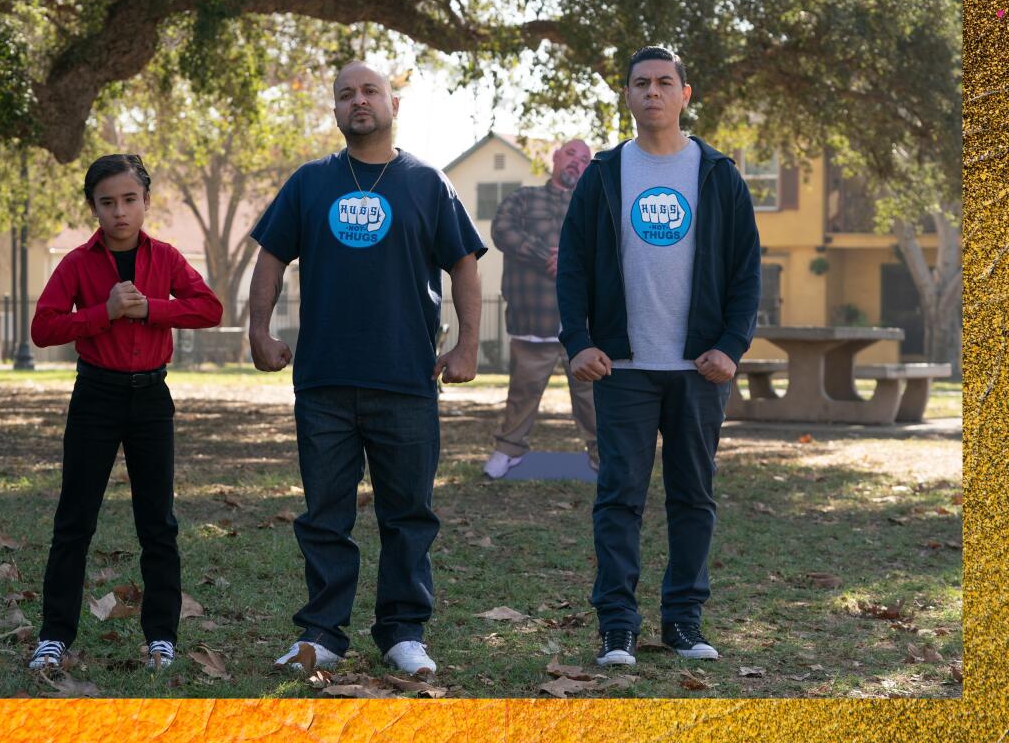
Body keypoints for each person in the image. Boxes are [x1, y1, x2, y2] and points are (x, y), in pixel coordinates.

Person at [248, 61, 485, 678]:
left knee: (409, 514)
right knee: (325, 514)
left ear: (394, 103)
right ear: (335, 110)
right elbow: (271, 257)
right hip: (324, 380)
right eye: (347, 94)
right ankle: (322, 633)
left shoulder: (428, 183)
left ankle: (404, 633)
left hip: (406, 378)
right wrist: (258, 331)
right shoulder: (309, 182)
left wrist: (466, 347)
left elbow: (464, 265)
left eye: (370, 91)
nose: (359, 101)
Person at [557, 47, 761, 666]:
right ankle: (617, 625)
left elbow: (747, 272)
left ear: (685, 94)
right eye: (641, 83)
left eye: (664, 83)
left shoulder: (718, 173)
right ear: (627, 95)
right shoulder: (604, 174)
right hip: (623, 367)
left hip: (700, 370)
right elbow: (572, 268)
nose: (653, 92)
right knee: (619, 496)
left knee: (693, 496)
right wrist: (580, 342)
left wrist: (729, 346)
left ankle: (684, 621)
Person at [28, 154, 224, 670]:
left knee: (157, 522)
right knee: (75, 520)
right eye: (107, 202)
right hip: (95, 397)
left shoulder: (167, 258)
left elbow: (209, 308)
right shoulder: (75, 263)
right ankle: (54, 635)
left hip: (151, 400)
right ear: (93, 206)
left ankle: (161, 636)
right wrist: (105, 313)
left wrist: (151, 308)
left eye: (129, 200)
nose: (120, 212)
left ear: (146, 202)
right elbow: (44, 328)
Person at [483, 138, 597, 479]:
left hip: (584, 322)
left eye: (585, 159)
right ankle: (508, 450)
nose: (577, 162)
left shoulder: (594, 206)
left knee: (592, 395)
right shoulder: (522, 198)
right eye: (571, 154)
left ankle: (602, 455)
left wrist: (571, 260)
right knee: (523, 391)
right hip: (534, 314)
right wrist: (544, 255)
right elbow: (502, 229)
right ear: (556, 158)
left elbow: (609, 247)